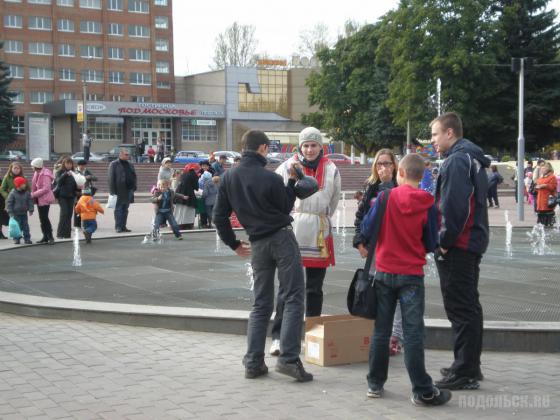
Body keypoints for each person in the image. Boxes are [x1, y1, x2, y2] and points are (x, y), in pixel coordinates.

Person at [213, 129, 313, 382]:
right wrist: (292, 183)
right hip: (281, 238)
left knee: (260, 304)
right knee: (293, 297)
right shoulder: (269, 178)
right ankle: (289, 359)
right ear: (263, 149)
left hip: (256, 244)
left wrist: (234, 244)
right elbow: (283, 206)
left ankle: (253, 361)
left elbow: (219, 217)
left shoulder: (228, 178)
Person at [361, 153, 450, 406]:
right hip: (411, 276)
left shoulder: (385, 197)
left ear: (399, 172)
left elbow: (367, 229)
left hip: (384, 273)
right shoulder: (428, 203)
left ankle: (375, 385)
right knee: (412, 333)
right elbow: (432, 242)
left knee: (381, 332)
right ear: (421, 176)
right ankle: (421, 389)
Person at [269, 127, 341, 356]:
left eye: (314, 145)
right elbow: (277, 194)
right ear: (299, 147)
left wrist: (323, 218)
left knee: (314, 288)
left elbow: (335, 199)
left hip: (319, 230)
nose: (309, 150)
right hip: (293, 227)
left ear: (321, 146)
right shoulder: (287, 166)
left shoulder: (331, 168)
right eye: (305, 145)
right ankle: (278, 337)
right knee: (287, 287)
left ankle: (312, 336)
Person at [431, 112, 489, 390]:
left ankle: (464, 371)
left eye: (434, 134)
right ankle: (468, 365)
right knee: (469, 306)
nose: (432, 140)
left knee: (460, 307)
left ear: (450, 133)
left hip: (459, 245)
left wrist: (444, 240)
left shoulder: (456, 160)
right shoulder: (472, 158)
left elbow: (455, 206)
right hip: (470, 243)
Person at [353, 149, 403, 356]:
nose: (384, 168)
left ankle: (396, 336)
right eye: (380, 164)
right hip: (375, 248)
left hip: (397, 247)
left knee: (399, 292)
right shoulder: (370, 187)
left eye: (388, 164)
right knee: (376, 289)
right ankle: (377, 333)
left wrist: (387, 185)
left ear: (395, 166)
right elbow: (360, 218)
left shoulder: (401, 186)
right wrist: (359, 243)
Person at [108, 148, 137, 233]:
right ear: (120, 155)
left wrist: (134, 186)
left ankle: (124, 226)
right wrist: (112, 191)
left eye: (128, 154)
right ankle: (118, 227)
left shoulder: (130, 164)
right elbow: (110, 178)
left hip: (129, 190)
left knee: (125, 209)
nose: (128, 156)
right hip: (119, 190)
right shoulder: (114, 164)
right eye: (126, 154)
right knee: (118, 209)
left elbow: (134, 176)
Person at [30, 158, 55, 244]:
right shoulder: (37, 172)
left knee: (44, 218)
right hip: (39, 198)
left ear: (36, 166)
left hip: (44, 199)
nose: (31, 167)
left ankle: (50, 236)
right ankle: (45, 236)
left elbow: (46, 188)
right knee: (42, 218)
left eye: (32, 166)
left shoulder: (45, 174)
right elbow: (34, 185)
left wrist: (33, 194)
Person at [54, 157, 79, 239]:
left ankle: (67, 234)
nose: (69, 165)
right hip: (62, 196)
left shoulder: (74, 173)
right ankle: (60, 233)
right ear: (64, 164)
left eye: (70, 164)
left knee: (69, 214)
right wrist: (65, 175)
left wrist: (78, 187)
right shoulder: (59, 172)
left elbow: (76, 184)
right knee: (64, 213)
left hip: (71, 195)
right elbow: (58, 181)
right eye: (67, 163)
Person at [6, 176, 34, 245]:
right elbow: (9, 203)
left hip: (24, 213)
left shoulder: (27, 193)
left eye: (24, 183)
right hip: (15, 214)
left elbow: (30, 201)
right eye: (23, 184)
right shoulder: (13, 193)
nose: (25, 185)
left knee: (25, 227)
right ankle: (16, 239)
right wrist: (10, 212)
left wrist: (31, 209)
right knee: (17, 227)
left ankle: (27, 239)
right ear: (18, 185)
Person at [1, 162, 25, 239]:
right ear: (11, 168)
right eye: (14, 168)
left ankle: (19, 233)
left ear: (20, 169)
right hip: (10, 201)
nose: (16, 169)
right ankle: (14, 234)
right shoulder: (7, 177)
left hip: (20, 201)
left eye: (18, 168)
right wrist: (7, 196)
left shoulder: (23, 177)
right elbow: (2, 189)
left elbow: (27, 188)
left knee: (20, 218)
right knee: (11, 218)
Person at [174, 163, 199, 230]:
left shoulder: (184, 174)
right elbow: (196, 186)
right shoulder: (194, 175)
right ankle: (187, 224)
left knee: (179, 209)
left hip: (179, 192)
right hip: (189, 193)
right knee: (188, 210)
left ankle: (177, 224)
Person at [74, 160, 98, 228]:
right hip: (78, 192)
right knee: (77, 207)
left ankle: (86, 223)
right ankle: (77, 224)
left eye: (84, 165)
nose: (82, 167)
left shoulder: (87, 171)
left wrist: (90, 177)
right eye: (81, 165)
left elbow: (95, 178)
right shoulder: (75, 171)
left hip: (87, 192)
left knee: (87, 208)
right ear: (78, 165)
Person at [534, 162, 557, 227]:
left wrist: (545, 185)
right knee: (541, 224)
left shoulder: (552, 177)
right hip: (540, 202)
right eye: (541, 168)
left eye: (543, 168)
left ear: (547, 169)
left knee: (548, 223)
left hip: (547, 201)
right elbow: (538, 186)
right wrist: (536, 187)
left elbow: (553, 187)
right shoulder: (542, 177)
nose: (541, 170)